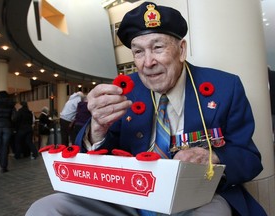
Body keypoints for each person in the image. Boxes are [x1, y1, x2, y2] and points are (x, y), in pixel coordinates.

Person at [26, 2, 266, 216]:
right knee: (46, 208)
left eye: (158, 47)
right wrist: (97, 130)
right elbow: (98, 160)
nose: (147, 62)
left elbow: (250, 158)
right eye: (138, 51)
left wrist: (210, 156)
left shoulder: (224, 87)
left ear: (181, 50)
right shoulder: (123, 94)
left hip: (198, 197)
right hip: (132, 196)